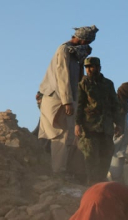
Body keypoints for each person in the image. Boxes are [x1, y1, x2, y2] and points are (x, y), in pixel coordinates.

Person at [38, 25, 99, 177]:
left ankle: (60, 169)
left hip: (65, 98)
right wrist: (67, 102)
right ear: (83, 40)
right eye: (87, 42)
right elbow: (63, 76)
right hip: (57, 99)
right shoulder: (64, 50)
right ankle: (57, 171)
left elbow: (75, 78)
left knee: (68, 136)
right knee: (59, 135)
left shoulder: (74, 52)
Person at [75, 57, 118, 184]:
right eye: (87, 67)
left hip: (106, 127)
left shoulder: (108, 84)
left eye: (91, 67)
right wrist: (77, 124)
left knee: (106, 157)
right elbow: (79, 105)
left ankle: (101, 183)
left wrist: (118, 123)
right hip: (90, 127)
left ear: (99, 67)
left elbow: (114, 104)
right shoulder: (83, 84)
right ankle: (92, 185)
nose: (89, 70)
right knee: (91, 158)